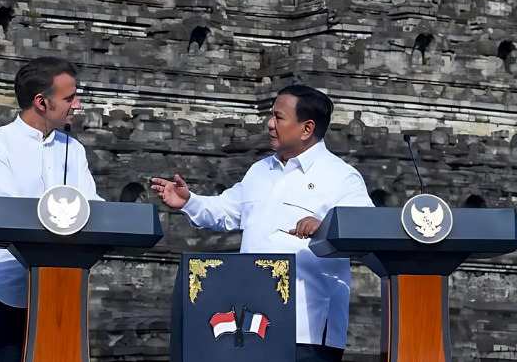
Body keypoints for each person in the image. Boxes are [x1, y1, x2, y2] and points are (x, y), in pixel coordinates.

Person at [151, 85, 373, 362]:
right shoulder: (260, 170)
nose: (269, 124)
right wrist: (188, 201)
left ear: (307, 129)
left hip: (307, 328)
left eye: (278, 118)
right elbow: (226, 210)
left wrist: (327, 227)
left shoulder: (341, 177)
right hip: (253, 321)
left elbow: (366, 233)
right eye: (271, 116)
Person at [0, 56, 101, 362]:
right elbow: (7, 214)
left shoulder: (74, 149)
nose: (77, 105)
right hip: (7, 291)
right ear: (41, 102)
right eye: (69, 98)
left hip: (64, 291)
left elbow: (93, 208)